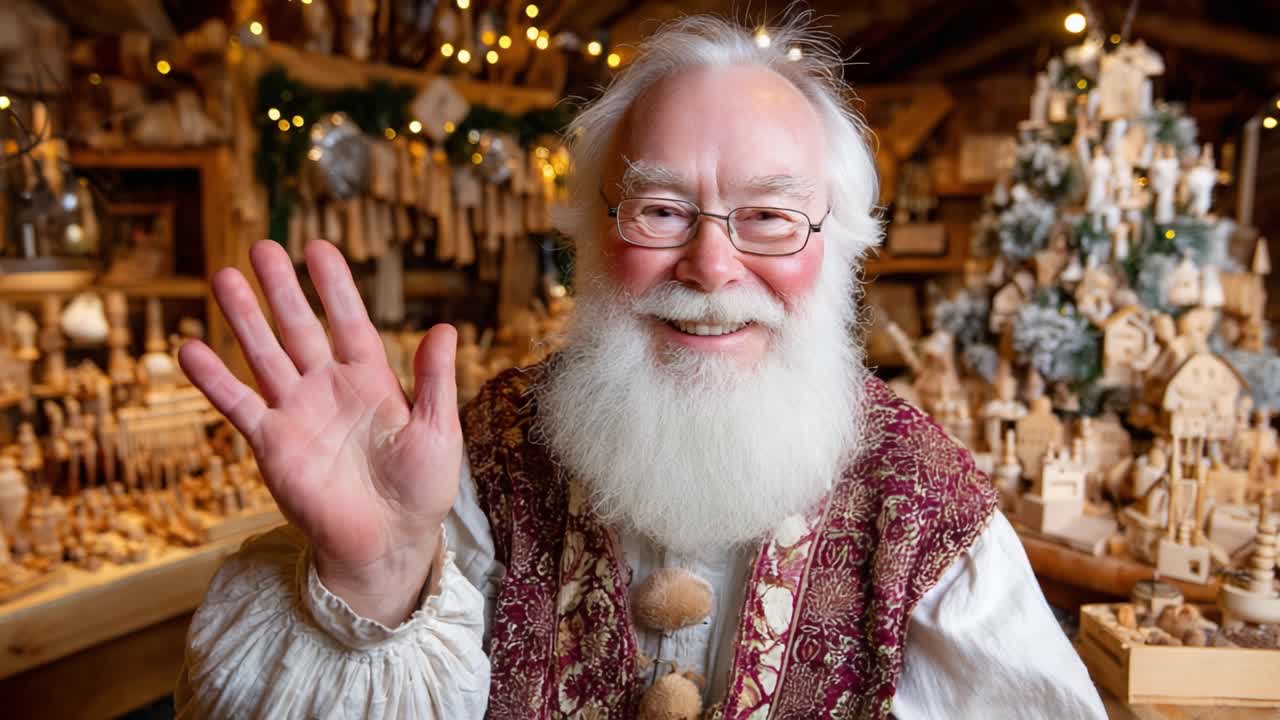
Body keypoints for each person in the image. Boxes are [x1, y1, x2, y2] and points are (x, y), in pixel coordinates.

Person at [174, 14, 1105, 720]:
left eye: (771, 218)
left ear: (844, 245)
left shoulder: (921, 501)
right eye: (660, 209)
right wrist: (377, 576)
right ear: (590, 234)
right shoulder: (488, 455)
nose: (710, 266)